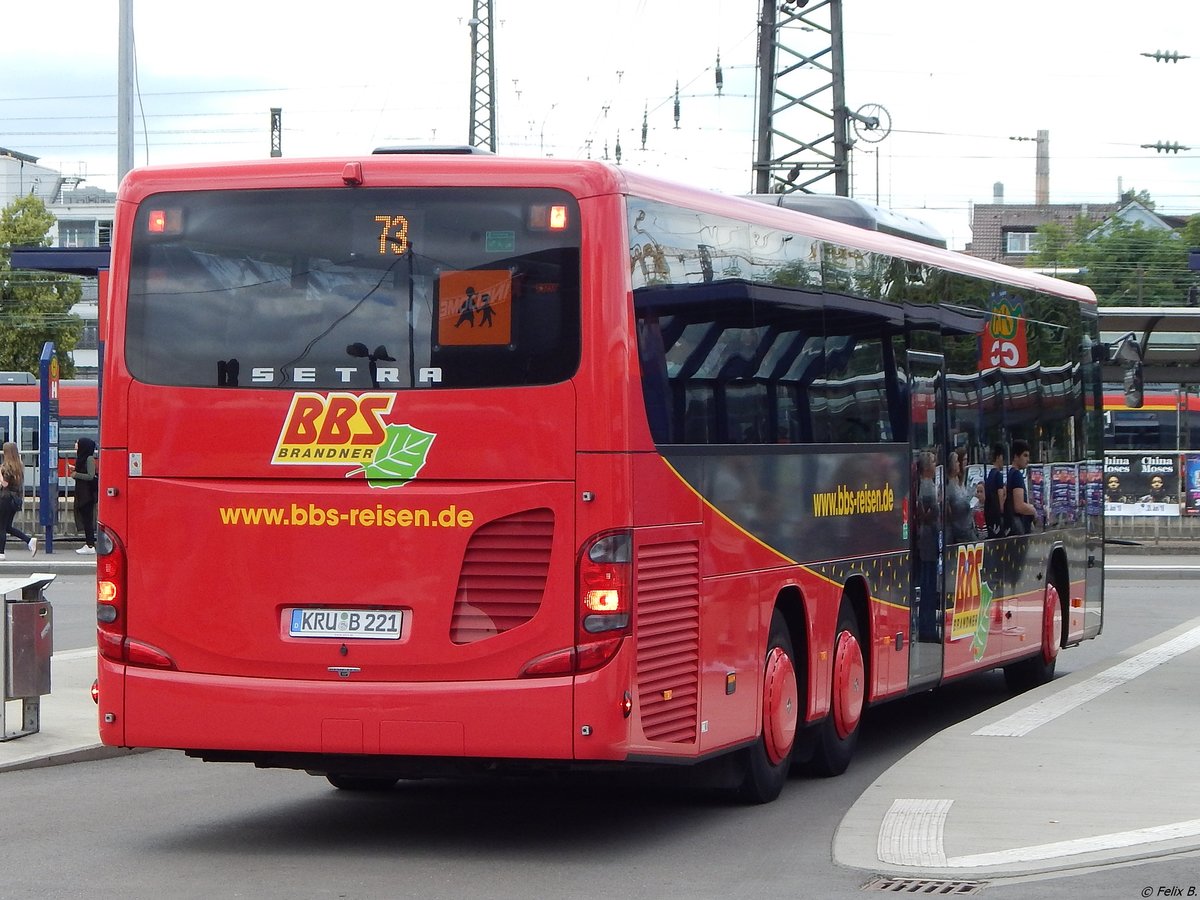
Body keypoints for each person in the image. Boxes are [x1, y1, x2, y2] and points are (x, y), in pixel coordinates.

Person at [0, 441, 37, 561]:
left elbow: (5, 484)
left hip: (5, 499)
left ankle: (1, 553)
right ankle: (29, 540)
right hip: (14, 500)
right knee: (7, 527)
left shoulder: (5, 467)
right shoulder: (19, 465)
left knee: (1, 527)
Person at [69, 438, 99, 554]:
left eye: (78, 442)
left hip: (87, 494)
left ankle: (90, 545)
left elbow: (91, 476)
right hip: (82, 492)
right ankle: (89, 544)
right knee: (86, 518)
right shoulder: (83, 458)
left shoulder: (89, 459)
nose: (76, 444)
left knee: (88, 519)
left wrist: (76, 475)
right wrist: (75, 469)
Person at [1004, 439, 1036, 536]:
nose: (1028, 459)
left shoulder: (1011, 474)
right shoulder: (1017, 475)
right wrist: (1033, 511)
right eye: (1025, 455)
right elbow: (1019, 506)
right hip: (1019, 528)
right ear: (1016, 457)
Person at [945, 447, 975, 543]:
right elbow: (957, 507)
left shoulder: (959, 481)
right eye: (957, 461)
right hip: (959, 532)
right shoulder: (949, 486)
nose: (959, 464)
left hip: (968, 527)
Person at [983, 443, 1007, 538]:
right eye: (1002, 458)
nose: (1003, 461)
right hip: (996, 514)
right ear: (998, 457)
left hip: (988, 514)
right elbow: (1001, 501)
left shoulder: (990, 475)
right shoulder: (998, 475)